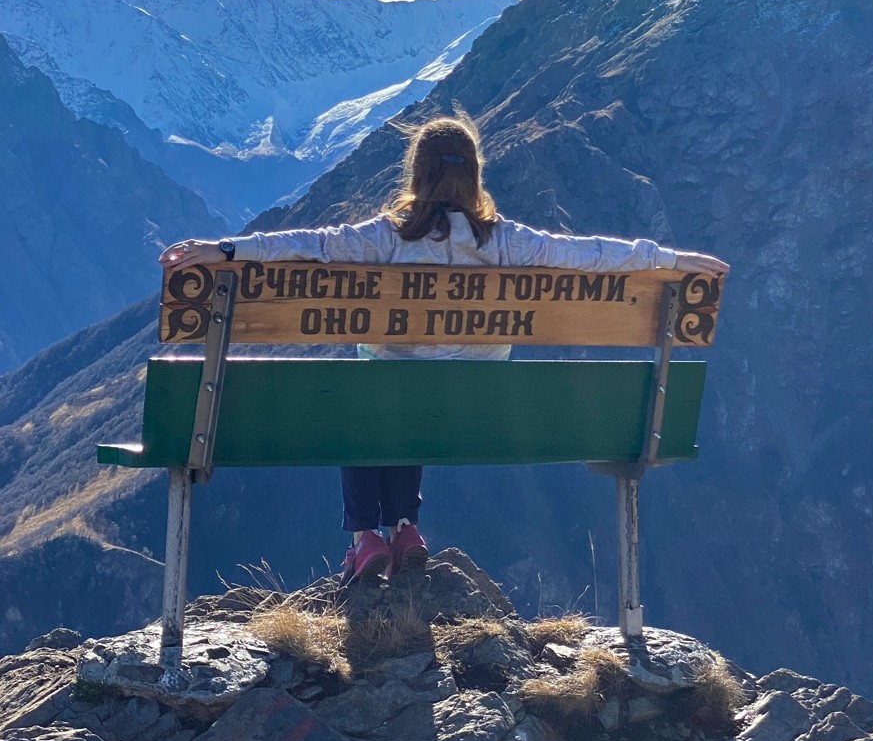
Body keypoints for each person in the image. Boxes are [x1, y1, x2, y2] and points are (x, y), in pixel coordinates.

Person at [160, 114, 729, 582]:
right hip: (477, 407)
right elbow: (589, 254)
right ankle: (405, 526)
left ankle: (366, 536)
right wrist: (670, 261)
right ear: (473, 177)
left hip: (387, 398)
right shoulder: (505, 241)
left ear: (418, 173)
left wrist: (227, 249)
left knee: (372, 385)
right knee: (412, 391)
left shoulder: (387, 236)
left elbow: (312, 243)